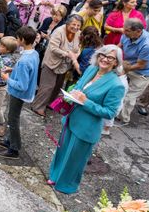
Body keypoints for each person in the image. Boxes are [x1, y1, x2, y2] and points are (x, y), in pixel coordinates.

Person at [47, 45, 125, 193]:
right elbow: (79, 85)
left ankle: (66, 185)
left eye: (110, 58)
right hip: (72, 118)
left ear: (116, 63)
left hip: (86, 128)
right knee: (62, 151)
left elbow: (109, 112)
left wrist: (86, 102)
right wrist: (70, 93)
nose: (105, 59)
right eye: (103, 54)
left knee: (74, 160)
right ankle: (55, 176)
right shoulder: (91, 69)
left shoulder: (116, 85)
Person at [0, 26, 40, 160]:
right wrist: (12, 69)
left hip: (18, 94)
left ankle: (14, 148)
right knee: (11, 117)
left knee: (13, 120)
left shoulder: (24, 61)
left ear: (23, 40)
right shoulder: (33, 53)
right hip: (21, 93)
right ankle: (9, 140)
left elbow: (22, 85)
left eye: (18, 38)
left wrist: (7, 78)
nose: (16, 40)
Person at [31, 14, 83, 118]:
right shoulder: (59, 31)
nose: (76, 27)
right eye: (74, 24)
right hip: (52, 62)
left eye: (78, 25)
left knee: (57, 86)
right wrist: (68, 54)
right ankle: (37, 106)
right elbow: (53, 48)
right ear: (68, 23)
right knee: (47, 86)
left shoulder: (78, 33)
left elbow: (80, 46)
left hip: (65, 65)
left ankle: (49, 103)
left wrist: (76, 54)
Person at [117, 19, 149, 126]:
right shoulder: (126, 34)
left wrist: (124, 69)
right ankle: (114, 111)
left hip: (143, 72)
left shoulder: (148, 44)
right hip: (128, 63)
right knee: (116, 87)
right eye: (124, 29)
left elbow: (141, 65)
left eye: (127, 30)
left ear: (138, 31)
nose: (124, 32)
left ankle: (123, 119)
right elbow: (119, 46)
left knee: (130, 96)